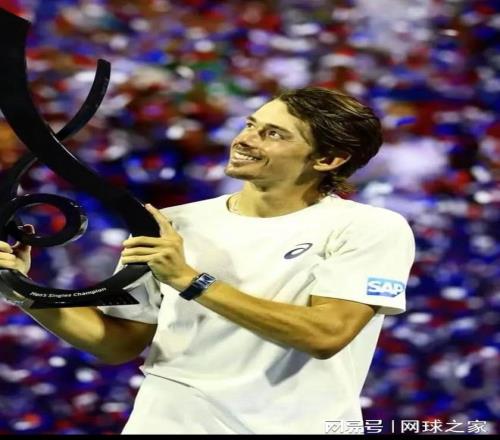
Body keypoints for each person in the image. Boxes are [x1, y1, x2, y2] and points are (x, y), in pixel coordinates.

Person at [0, 87, 415, 434]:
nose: (245, 139)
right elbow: (117, 343)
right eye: (251, 124)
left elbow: (326, 334)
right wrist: (20, 288)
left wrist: (189, 280)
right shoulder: (173, 223)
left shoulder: (369, 228)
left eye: (273, 134)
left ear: (328, 159)